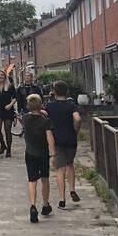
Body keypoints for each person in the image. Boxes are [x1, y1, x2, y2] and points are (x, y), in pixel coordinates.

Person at [45, 80, 83, 209]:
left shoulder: (50, 106)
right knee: (70, 164)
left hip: (57, 140)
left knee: (60, 170)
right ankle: (72, 190)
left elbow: (43, 115)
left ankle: (62, 200)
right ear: (67, 92)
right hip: (71, 139)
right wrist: (75, 130)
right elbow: (77, 118)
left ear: (54, 92)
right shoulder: (71, 105)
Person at [22, 93, 56, 223]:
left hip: (30, 153)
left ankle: (33, 205)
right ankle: (46, 204)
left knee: (32, 180)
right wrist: (53, 154)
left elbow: (25, 115)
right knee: (45, 179)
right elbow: (50, 138)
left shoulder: (25, 119)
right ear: (41, 105)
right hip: (43, 154)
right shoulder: (45, 121)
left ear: (27, 106)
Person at [0, 70, 18, 157]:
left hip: (8, 110)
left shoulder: (10, 86)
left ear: (5, 76)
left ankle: (8, 149)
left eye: (2, 75)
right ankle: (3, 144)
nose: (0, 76)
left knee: (7, 130)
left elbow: (15, 97)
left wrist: (10, 105)